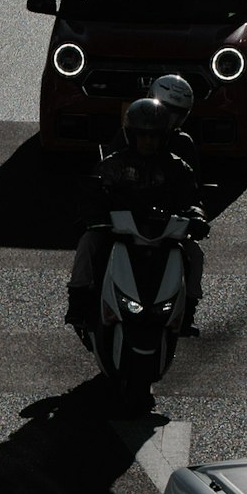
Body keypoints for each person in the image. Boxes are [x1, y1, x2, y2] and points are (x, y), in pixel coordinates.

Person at [69, 77, 208, 336]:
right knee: (89, 242)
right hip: (122, 224)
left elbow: (192, 195)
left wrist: (196, 215)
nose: (148, 142)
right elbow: (96, 190)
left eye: (154, 136)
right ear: (131, 135)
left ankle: (187, 310)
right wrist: (93, 214)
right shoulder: (114, 161)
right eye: (142, 135)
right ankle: (77, 300)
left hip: (163, 226)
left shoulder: (177, 164)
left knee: (195, 254)